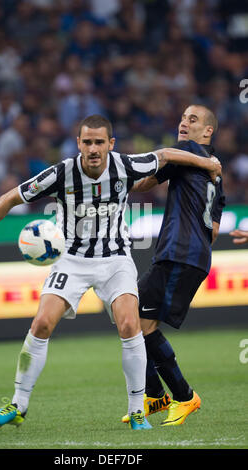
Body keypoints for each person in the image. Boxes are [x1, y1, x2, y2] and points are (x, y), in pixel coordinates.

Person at [0, 114, 221, 431]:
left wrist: (207, 164)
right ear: (78, 143)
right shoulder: (62, 173)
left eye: (99, 142)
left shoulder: (125, 165)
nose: (93, 148)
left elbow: (165, 155)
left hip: (115, 260)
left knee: (129, 323)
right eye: (87, 142)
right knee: (41, 323)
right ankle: (18, 404)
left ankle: (137, 410)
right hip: (72, 261)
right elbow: (9, 198)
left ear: (110, 144)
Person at [121, 104, 226, 426]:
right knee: (130, 320)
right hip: (191, 255)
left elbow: (159, 162)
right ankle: (154, 396)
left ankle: (183, 396)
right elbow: (215, 230)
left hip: (179, 253)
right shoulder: (215, 176)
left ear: (207, 131)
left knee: (141, 325)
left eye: (192, 119)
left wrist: (115, 174)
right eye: (182, 117)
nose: (184, 123)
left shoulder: (189, 151)